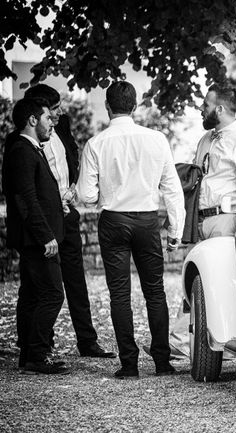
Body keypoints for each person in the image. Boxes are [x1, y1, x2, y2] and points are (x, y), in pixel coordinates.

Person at [77, 81, 185, 379]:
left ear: (108, 107)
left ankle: (129, 364)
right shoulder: (156, 140)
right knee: (155, 292)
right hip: (147, 221)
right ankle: (163, 362)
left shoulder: (96, 144)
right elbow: (173, 190)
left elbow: (86, 196)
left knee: (120, 295)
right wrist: (175, 230)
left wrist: (106, 193)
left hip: (113, 221)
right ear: (134, 106)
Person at [5, 84, 116, 359]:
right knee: (36, 285)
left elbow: (72, 157)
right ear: (36, 112)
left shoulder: (60, 126)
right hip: (41, 221)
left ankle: (87, 341)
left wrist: (72, 190)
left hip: (67, 215)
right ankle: (34, 345)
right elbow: (21, 189)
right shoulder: (19, 142)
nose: (59, 114)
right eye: (53, 110)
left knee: (75, 281)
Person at [163, 85, 236, 358]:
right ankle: (184, 339)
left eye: (206, 104)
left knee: (222, 280)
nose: (201, 108)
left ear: (219, 108)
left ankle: (222, 342)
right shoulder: (206, 139)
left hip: (227, 220)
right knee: (193, 278)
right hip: (201, 219)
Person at [2, 97, 68, 374]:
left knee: (31, 294)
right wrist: (45, 236)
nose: (52, 121)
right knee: (53, 294)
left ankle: (29, 353)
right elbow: (26, 199)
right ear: (32, 120)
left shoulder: (28, 148)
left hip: (35, 238)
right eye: (47, 118)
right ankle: (38, 355)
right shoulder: (22, 150)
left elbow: (37, 193)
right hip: (37, 240)